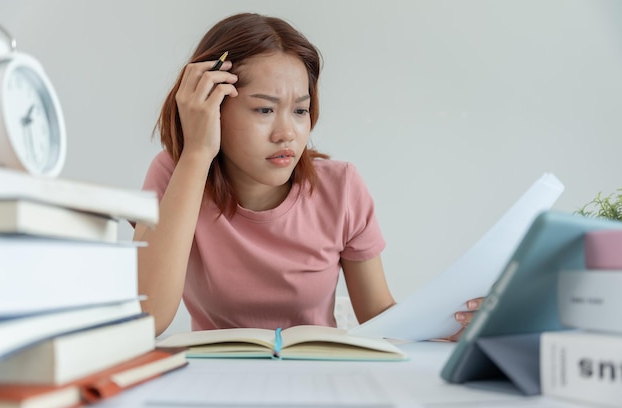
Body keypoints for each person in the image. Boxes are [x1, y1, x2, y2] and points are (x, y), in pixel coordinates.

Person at [134, 12, 482, 338]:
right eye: (265, 109)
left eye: (300, 110)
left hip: (320, 377)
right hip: (213, 382)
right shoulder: (174, 174)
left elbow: (380, 316)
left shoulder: (341, 186)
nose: (287, 133)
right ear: (212, 107)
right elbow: (147, 318)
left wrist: (455, 327)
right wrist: (196, 152)